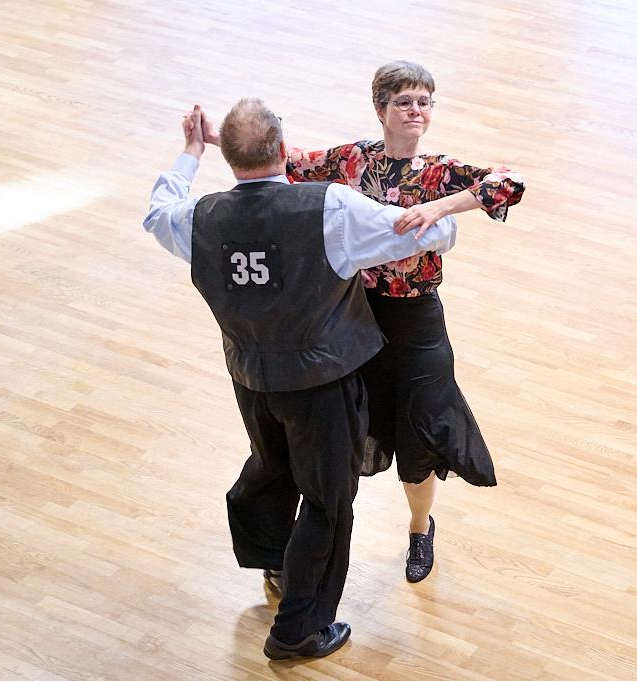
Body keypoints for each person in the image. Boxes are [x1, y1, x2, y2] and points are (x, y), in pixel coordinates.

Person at [143, 99, 458, 660]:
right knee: (327, 501)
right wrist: (445, 219)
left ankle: (275, 562)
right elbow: (420, 234)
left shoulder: (198, 218)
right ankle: (298, 631)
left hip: (251, 379)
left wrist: (190, 153)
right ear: (284, 151)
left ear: (228, 157)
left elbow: (158, 211)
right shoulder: (329, 206)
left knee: (272, 467)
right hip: (322, 383)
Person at [285, 61, 525, 583]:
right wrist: (217, 137)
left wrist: (441, 208)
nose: (416, 110)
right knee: (345, 430)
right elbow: (287, 160)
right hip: (358, 319)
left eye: (424, 102)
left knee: (420, 440)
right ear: (381, 109)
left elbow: (508, 182)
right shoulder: (353, 160)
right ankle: (320, 539)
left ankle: (420, 529)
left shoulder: (438, 171)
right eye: (404, 102)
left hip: (417, 325)